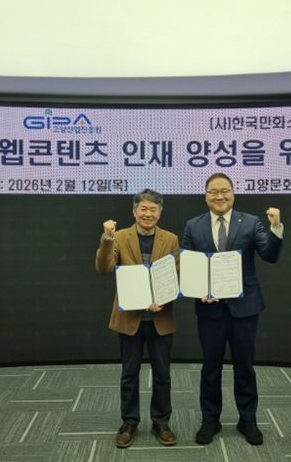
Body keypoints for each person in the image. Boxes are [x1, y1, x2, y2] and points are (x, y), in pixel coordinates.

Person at [181, 173, 283, 446]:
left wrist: (276, 228)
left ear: (233, 193)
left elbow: (270, 255)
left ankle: (247, 419)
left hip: (244, 309)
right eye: (213, 191)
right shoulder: (193, 225)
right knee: (210, 367)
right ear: (205, 196)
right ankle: (210, 419)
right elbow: (187, 265)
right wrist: (198, 289)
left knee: (245, 366)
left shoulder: (250, 222)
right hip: (209, 311)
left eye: (224, 191)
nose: (219, 196)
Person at [95, 189, 179, 449]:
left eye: (153, 209)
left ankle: (161, 422)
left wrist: (164, 297)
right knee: (129, 375)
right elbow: (104, 267)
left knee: (163, 375)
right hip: (130, 319)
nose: (148, 214)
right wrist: (107, 238)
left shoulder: (171, 239)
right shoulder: (119, 236)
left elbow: (176, 274)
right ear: (134, 211)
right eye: (143, 209)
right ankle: (129, 422)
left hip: (160, 318)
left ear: (160, 213)